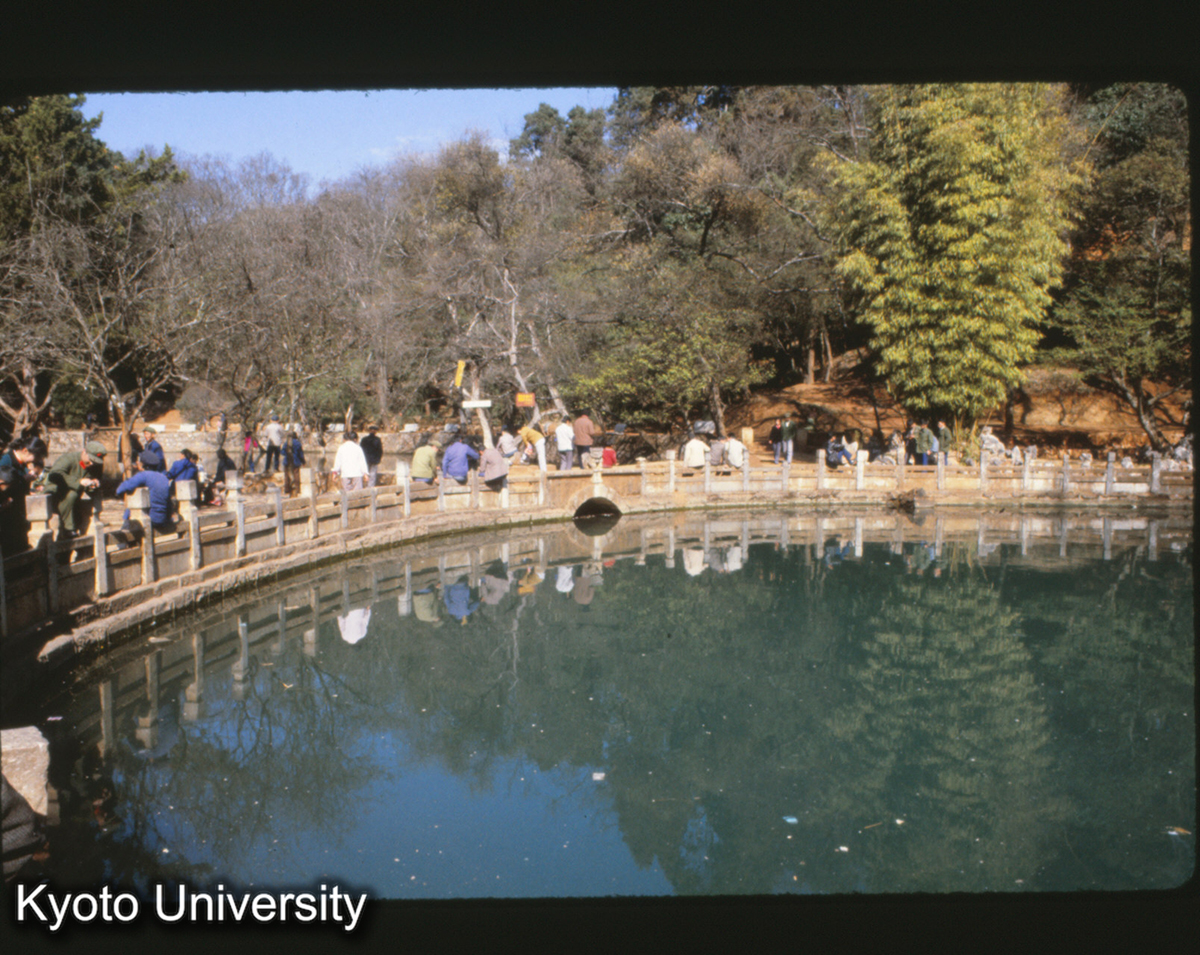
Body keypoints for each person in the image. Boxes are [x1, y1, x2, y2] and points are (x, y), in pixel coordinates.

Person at [45, 441, 106, 539]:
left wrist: (94, 483)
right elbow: (55, 475)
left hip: (76, 500)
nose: (91, 464)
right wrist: (78, 482)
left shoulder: (96, 465)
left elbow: (97, 478)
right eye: (90, 460)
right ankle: (68, 529)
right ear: (84, 452)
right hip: (57, 494)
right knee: (72, 494)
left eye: (95, 462)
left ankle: (73, 530)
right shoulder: (68, 459)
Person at [116, 451, 176, 535]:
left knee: (130, 508)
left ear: (142, 464)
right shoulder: (163, 477)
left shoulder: (143, 475)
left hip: (149, 519)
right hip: (163, 519)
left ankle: (124, 539)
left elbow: (120, 489)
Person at [283, 430, 305, 495]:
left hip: (287, 461)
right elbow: (301, 454)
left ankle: (287, 489)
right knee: (296, 475)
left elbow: (282, 452)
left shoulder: (286, 443)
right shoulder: (298, 443)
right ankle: (297, 489)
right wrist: (303, 462)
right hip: (296, 461)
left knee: (287, 475)